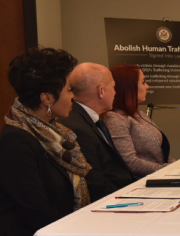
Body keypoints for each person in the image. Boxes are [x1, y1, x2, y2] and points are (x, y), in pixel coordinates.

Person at [0, 47, 89, 236]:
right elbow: (38, 213)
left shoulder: (53, 136)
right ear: (47, 98)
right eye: (69, 89)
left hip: (43, 235)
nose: (73, 96)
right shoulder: (16, 143)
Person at [58, 62, 135, 201]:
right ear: (101, 91)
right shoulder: (78, 128)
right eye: (113, 87)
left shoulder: (85, 119)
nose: (115, 92)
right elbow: (97, 187)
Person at [104, 64, 174, 178]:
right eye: (143, 82)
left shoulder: (138, 113)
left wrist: (175, 165)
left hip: (158, 177)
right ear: (129, 87)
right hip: (140, 184)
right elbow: (130, 162)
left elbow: (161, 154)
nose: (147, 86)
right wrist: (167, 169)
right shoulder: (115, 118)